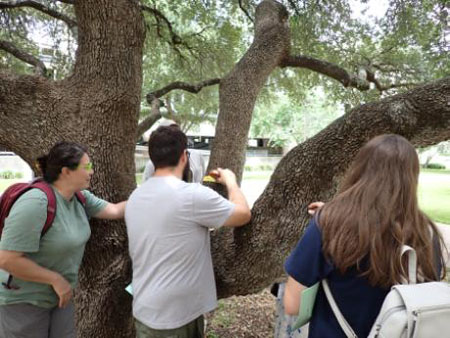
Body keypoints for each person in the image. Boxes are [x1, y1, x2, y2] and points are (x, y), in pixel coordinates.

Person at [283, 134, 445, 338]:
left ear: (360, 168)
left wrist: (333, 219)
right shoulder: (427, 234)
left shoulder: (328, 225)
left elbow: (292, 304)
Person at [125, 126, 251, 338]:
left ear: (152, 157)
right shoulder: (191, 196)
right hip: (173, 319)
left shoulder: (136, 197)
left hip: (151, 309)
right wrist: (231, 182)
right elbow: (243, 215)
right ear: (184, 156)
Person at [0, 141, 127, 338]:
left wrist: (154, 192)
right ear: (66, 171)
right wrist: (55, 279)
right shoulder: (35, 203)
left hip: (60, 299)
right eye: (87, 167)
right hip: (24, 301)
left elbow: (116, 210)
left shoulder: (80, 198)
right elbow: (7, 259)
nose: (92, 172)